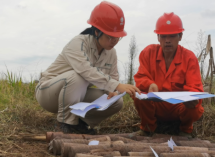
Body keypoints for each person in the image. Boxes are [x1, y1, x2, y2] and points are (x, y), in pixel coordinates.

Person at [35, 1, 140, 134]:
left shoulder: (111, 52)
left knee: (116, 102)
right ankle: (64, 123)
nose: (114, 41)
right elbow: (86, 71)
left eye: (117, 38)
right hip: (48, 93)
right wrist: (117, 85)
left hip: (76, 93)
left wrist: (113, 92)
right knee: (78, 76)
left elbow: (113, 78)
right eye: (110, 37)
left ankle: (80, 124)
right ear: (97, 31)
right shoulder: (78, 43)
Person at [133, 12, 204, 137]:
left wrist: (192, 99)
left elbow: (195, 87)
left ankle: (185, 130)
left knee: (195, 107)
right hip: (156, 106)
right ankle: (147, 128)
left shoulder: (189, 58)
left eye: (172, 36)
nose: (167, 41)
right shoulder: (147, 53)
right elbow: (140, 77)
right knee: (139, 94)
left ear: (180, 36)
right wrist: (150, 84)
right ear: (158, 37)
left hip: (179, 107)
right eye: (163, 37)